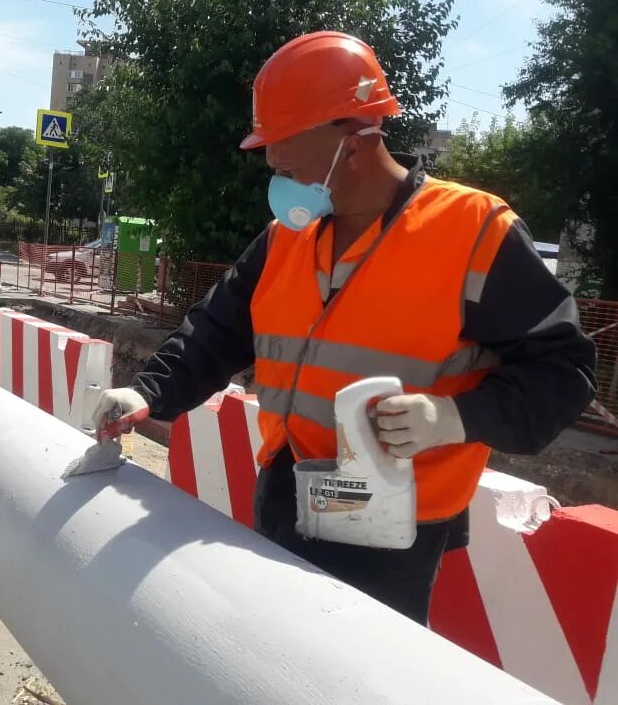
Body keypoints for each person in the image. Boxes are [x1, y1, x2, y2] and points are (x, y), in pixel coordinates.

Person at [92, 31, 597, 625]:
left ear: (352, 141)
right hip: (288, 491)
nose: (274, 166)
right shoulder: (288, 238)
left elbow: (564, 370)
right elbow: (215, 330)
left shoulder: (473, 231)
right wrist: (148, 391)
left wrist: (454, 418)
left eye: (286, 151)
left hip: (395, 529)